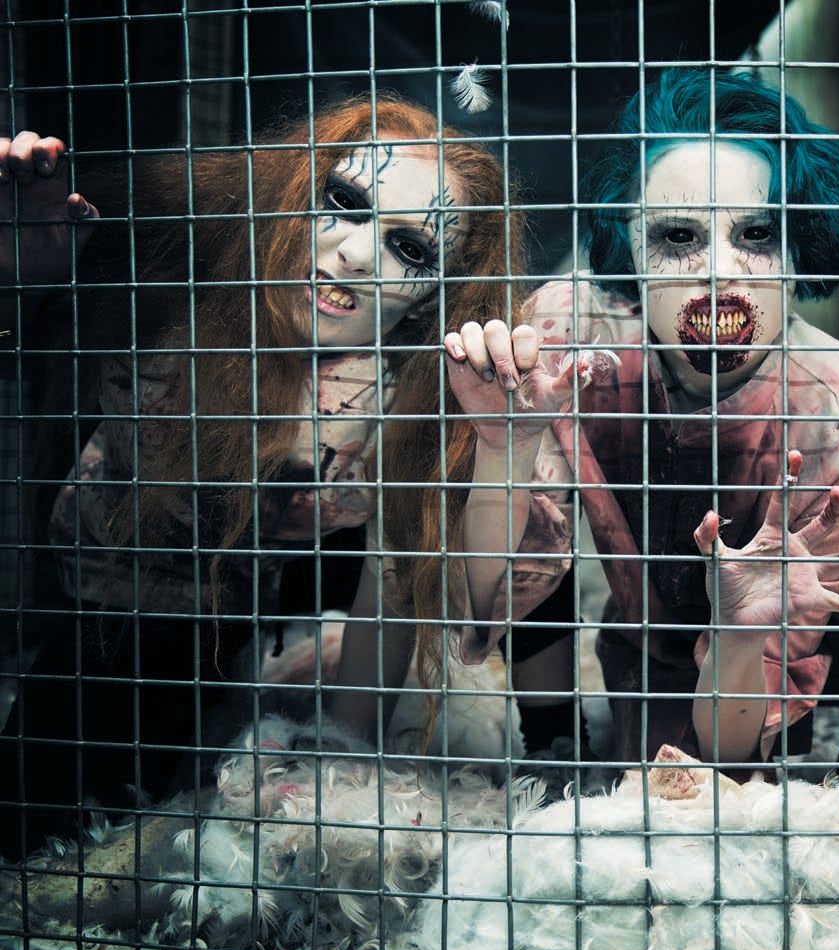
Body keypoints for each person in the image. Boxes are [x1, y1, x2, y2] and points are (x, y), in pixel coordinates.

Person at [385, 69, 839, 767]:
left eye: (756, 233)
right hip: (629, 648)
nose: (721, 273)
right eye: (679, 236)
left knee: (739, 770)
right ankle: (550, 739)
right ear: (627, 249)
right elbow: (485, 596)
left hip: (755, 685)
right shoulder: (568, 335)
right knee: (524, 514)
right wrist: (504, 448)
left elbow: (742, 728)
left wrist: (744, 634)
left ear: (799, 246)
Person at [0, 96, 520, 859]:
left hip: (236, 646)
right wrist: (22, 272)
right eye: (342, 204)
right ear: (290, 195)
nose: (354, 254)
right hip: (80, 626)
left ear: (435, 296)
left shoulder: (412, 395)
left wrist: (341, 780)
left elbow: (392, 602)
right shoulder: (172, 275)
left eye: (410, 248)